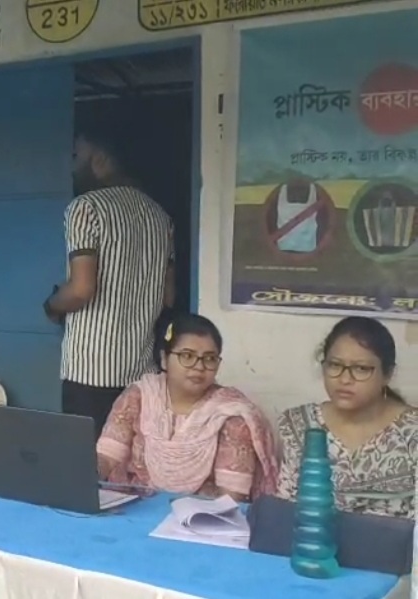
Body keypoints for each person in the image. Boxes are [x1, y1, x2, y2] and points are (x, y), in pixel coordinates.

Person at [45, 122, 174, 438]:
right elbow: (167, 298)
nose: (72, 166)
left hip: (91, 372)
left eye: (77, 155)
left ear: (100, 159)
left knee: (88, 460)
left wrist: (52, 305)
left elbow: (81, 289)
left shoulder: (86, 208)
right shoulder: (160, 216)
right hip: (141, 371)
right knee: (129, 459)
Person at [97, 314, 278, 502]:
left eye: (209, 358)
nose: (199, 366)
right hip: (134, 509)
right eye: (187, 356)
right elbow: (107, 457)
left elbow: (231, 498)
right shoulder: (140, 396)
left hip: (202, 515)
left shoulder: (230, 414)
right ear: (164, 359)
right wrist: (89, 474)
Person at [276, 316, 417, 519]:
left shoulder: (411, 431)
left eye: (361, 369)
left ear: (387, 374)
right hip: (314, 537)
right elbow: (285, 510)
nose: (345, 379)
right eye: (335, 365)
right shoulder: (300, 425)